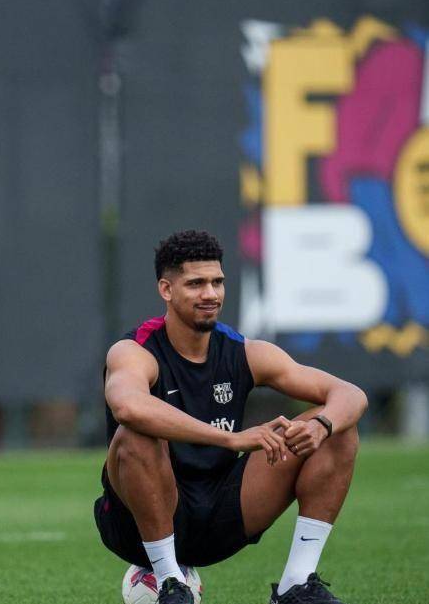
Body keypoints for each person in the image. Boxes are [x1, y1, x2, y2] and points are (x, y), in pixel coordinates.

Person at [93, 230, 367, 604]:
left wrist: (320, 426)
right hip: (135, 527)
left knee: (338, 426)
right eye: (196, 284)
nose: (211, 294)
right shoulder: (134, 350)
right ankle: (171, 584)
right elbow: (127, 407)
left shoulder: (244, 351)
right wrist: (231, 438)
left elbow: (350, 394)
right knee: (134, 434)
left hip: (219, 514)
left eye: (217, 282)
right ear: (166, 290)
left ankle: (296, 584)